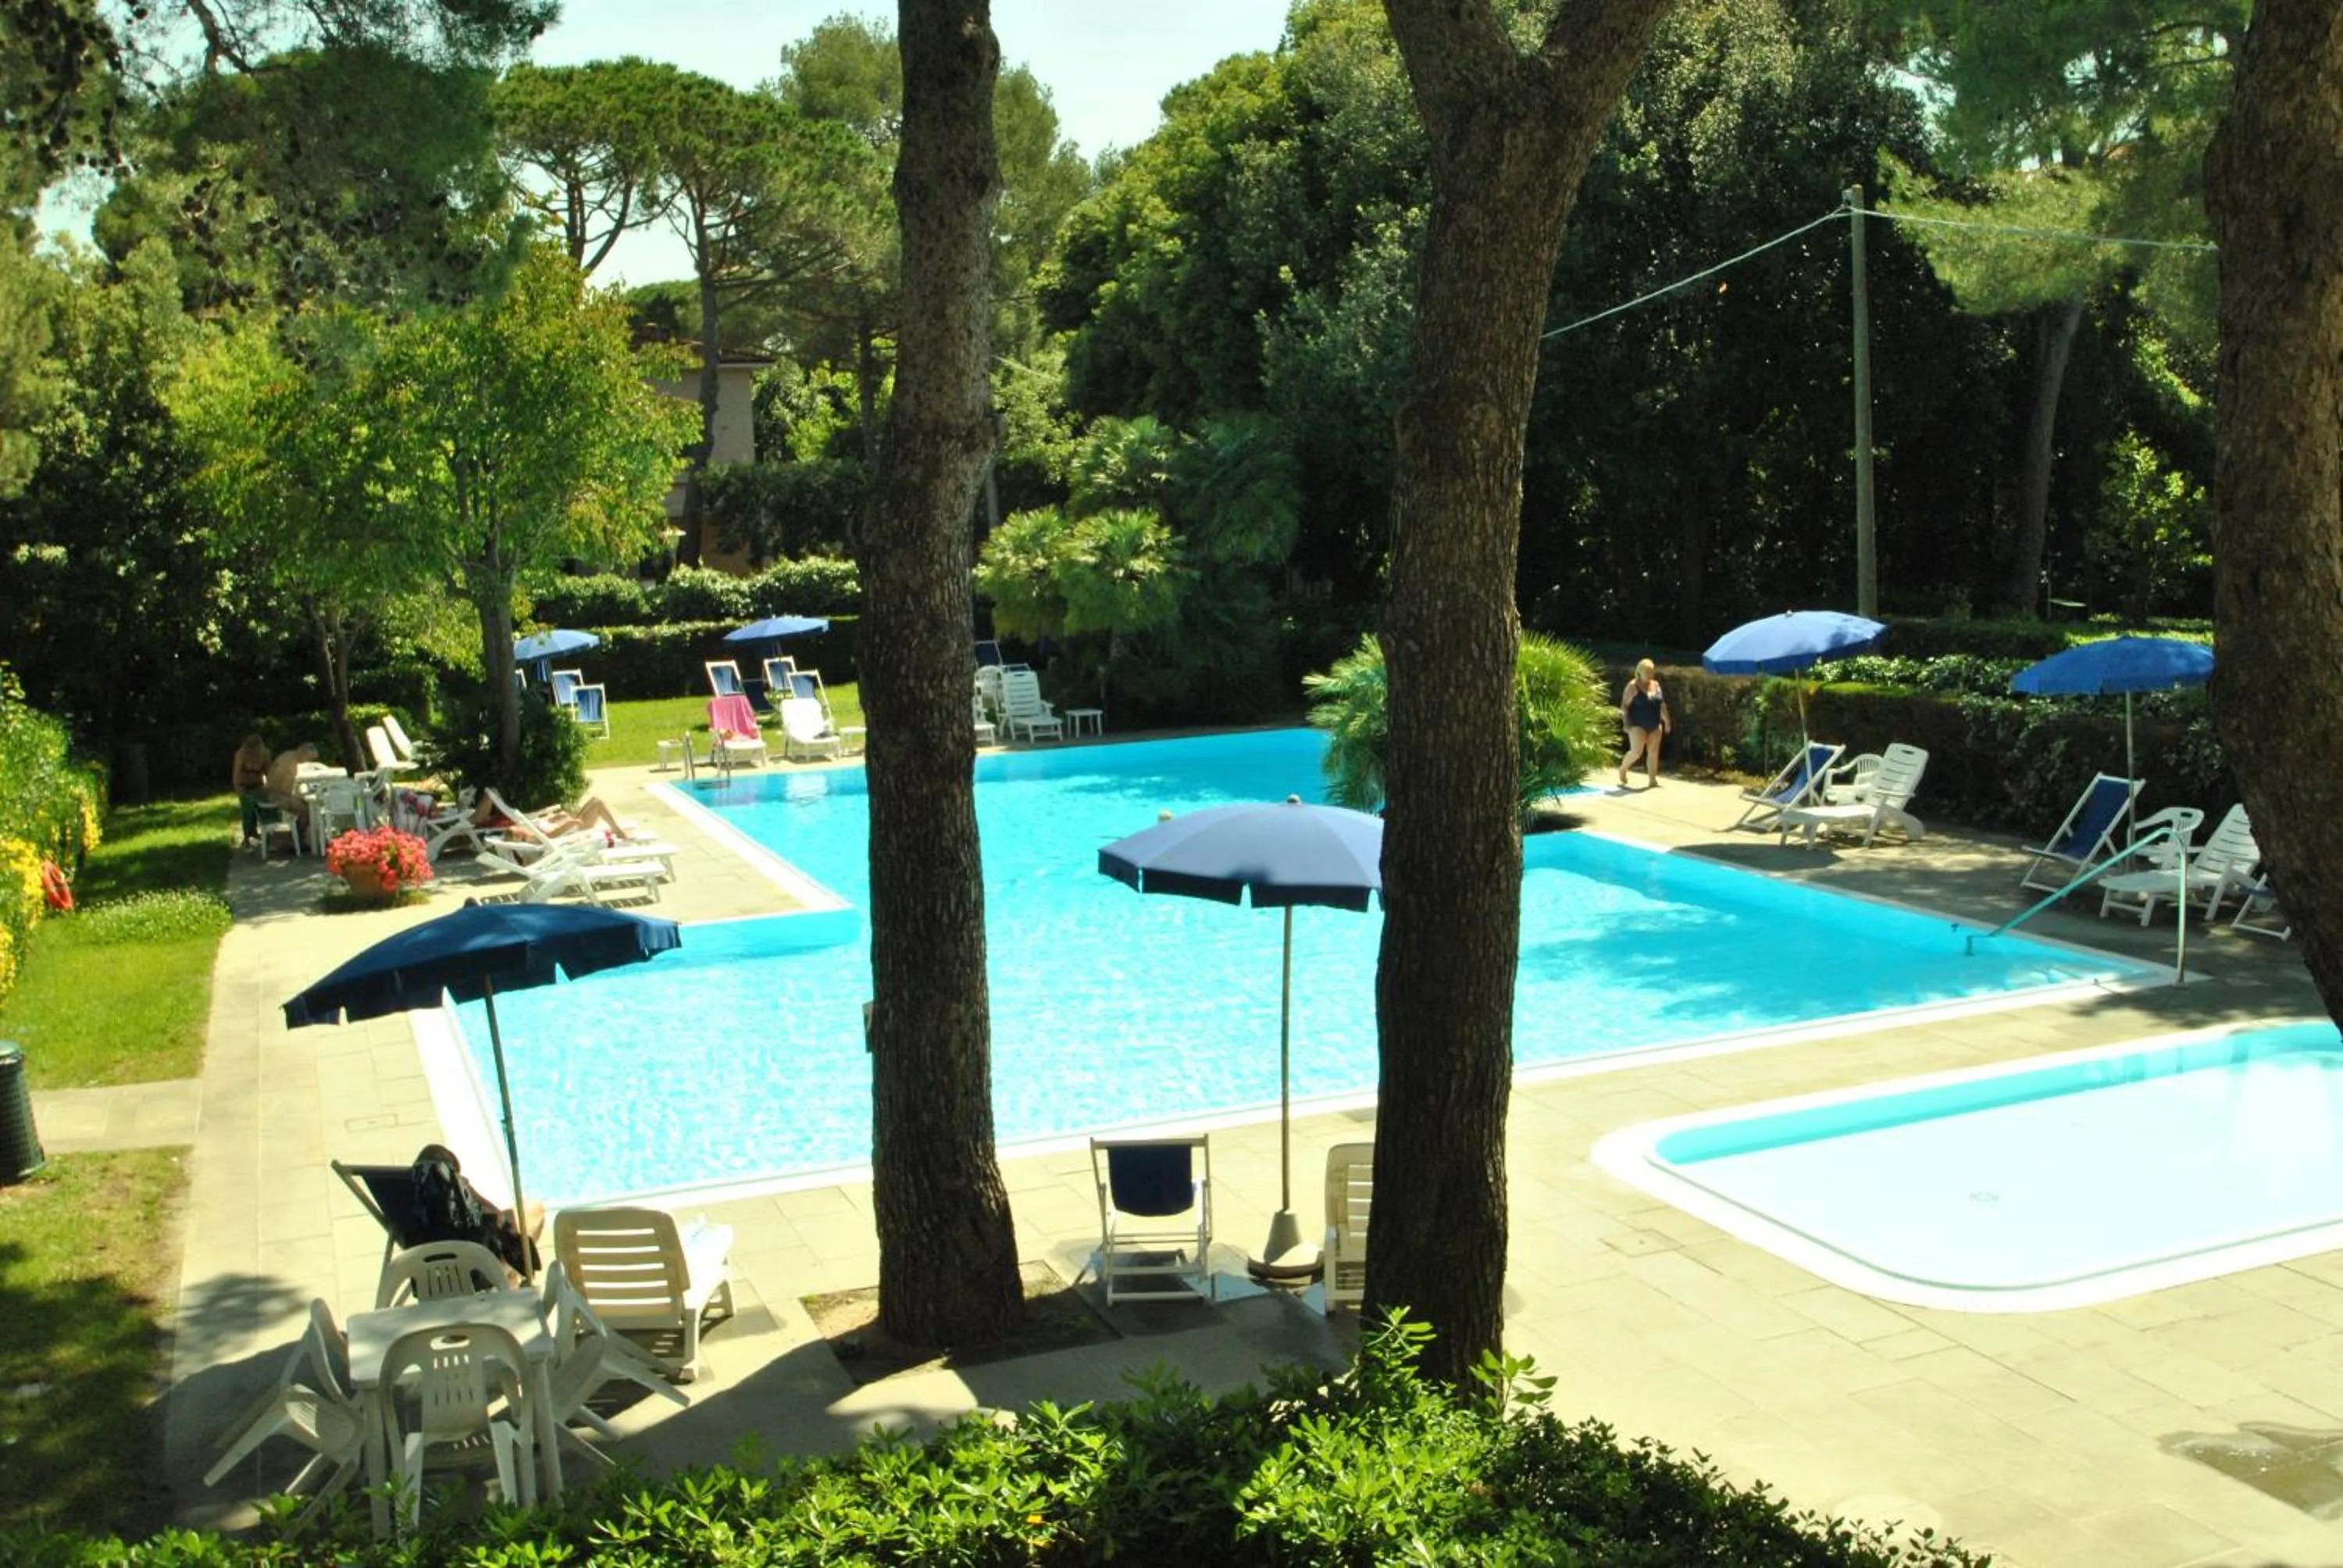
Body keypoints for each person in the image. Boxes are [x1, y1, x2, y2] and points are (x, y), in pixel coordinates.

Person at [408, 1143, 545, 1281]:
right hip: (476, 1267)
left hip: (431, 1273)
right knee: (533, 1209)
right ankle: (511, 1276)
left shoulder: (410, 1201)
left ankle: (512, 1277)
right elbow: (497, 1215)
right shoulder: (453, 1185)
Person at [1617, 659, 1671, 789]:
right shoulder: (1632, 686)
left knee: (1653, 752)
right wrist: (1625, 722)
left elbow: (1662, 704)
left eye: (1651, 672)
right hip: (1637, 724)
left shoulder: (1656, 685)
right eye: (1647, 672)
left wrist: (1667, 721)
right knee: (1636, 752)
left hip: (1654, 723)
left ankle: (1652, 780)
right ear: (1639, 672)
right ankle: (1623, 768)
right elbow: (1624, 706)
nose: (1650, 675)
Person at [231, 734, 273, 846]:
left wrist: (270, 787)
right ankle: (247, 836)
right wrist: (239, 790)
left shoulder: (265, 754)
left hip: (258, 785)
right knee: (247, 812)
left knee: (261, 808)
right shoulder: (241, 754)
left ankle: (261, 833)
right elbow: (236, 774)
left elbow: (269, 772)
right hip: (243, 785)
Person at [262, 740, 319, 814]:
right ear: (303, 754)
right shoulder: (290, 764)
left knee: (307, 804)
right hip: (276, 796)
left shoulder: (288, 755)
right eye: (309, 759)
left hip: (275, 794)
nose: (308, 762)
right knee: (309, 809)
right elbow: (284, 789)